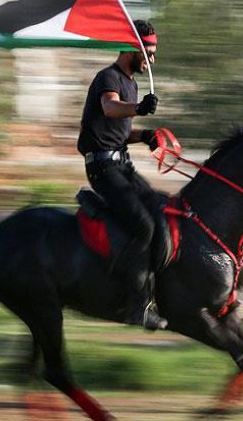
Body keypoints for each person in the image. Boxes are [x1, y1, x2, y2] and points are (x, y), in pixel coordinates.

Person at [77, 20, 167, 330]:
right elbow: (110, 108)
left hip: (122, 165)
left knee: (160, 211)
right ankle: (135, 305)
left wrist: (144, 136)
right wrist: (139, 109)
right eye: (149, 53)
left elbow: (118, 131)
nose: (152, 60)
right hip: (102, 169)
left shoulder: (132, 83)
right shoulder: (108, 78)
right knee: (143, 226)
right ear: (132, 47)